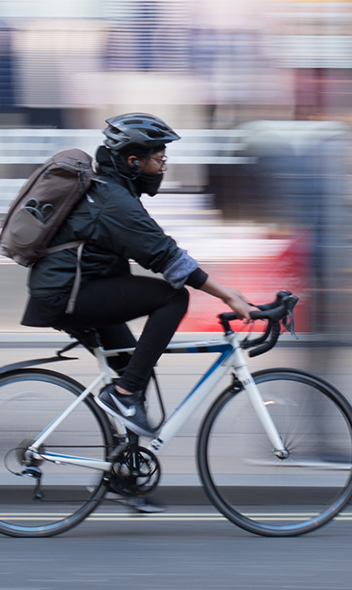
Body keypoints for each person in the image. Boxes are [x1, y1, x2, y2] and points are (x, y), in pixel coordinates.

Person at [20, 112, 253, 441]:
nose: (164, 166)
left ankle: (125, 478)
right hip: (66, 295)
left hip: (76, 291)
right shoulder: (112, 201)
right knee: (173, 296)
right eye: (159, 158)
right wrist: (226, 294)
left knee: (135, 370)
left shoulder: (111, 192)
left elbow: (156, 250)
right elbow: (165, 256)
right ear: (133, 160)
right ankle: (125, 396)